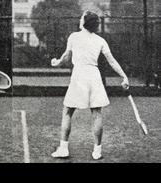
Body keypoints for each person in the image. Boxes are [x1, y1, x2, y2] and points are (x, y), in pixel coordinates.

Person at [50, 11, 129, 160]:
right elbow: (112, 61)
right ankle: (97, 151)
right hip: (93, 75)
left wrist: (57, 62)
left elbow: (66, 56)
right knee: (96, 113)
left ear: (84, 22)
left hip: (79, 75)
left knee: (67, 111)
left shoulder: (74, 37)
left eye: (81, 17)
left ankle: (63, 149)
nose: (79, 19)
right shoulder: (100, 40)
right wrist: (124, 76)